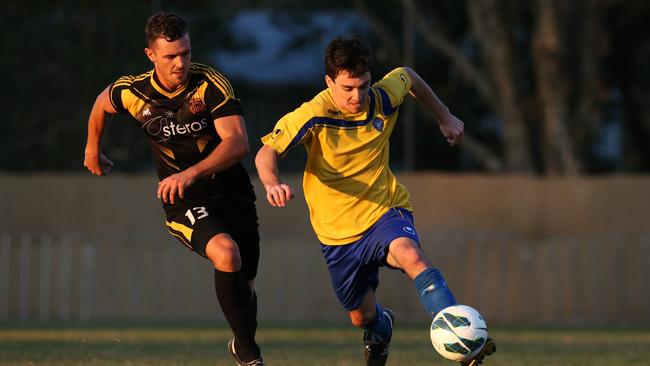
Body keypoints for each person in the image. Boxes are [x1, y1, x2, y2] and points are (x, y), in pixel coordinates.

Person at [255, 35, 496, 366]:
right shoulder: (312, 114)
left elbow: (408, 75)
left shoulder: (382, 98)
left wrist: (445, 116)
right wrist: (272, 184)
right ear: (329, 82)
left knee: (411, 256)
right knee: (361, 316)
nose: (357, 96)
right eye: (347, 89)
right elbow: (267, 152)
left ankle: (462, 336)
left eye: (363, 86)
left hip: (385, 210)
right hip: (337, 235)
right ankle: (382, 330)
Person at [84, 11, 264, 366]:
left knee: (245, 286)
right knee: (226, 254)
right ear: (151, 55)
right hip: (184, 201)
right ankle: (250, 356)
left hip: (234, 196)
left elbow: (238, 142)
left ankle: (242, 342)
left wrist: (192, 171)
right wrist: (92, 148)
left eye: (185, 53)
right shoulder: (133, 90)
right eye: (170, 56)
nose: (180, 62)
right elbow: (102, 104)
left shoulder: (210, 85)